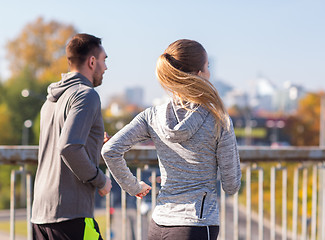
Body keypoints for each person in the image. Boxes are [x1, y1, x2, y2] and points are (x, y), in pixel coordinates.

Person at [101, 39, 241, 240]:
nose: (209, 73)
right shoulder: (219, 119)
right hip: (196, 226)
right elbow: (231, 185)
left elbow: (110, 150)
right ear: (199, 75)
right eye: (207, 67)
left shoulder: (152, 116)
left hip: (158, 225)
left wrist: (134, 187)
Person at [31, 33, 112, 240]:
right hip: (71, 215)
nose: (105, 67)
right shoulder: (87, 95)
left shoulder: (50, 101)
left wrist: (94, 145)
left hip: (41, 214)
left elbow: (65, 142)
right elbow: (68, 147)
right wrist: (101, 180)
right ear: (92, 62)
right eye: (104, 60)